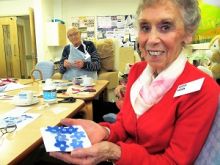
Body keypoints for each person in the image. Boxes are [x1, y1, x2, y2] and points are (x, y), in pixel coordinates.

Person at [50, 0, 220, 164]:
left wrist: (114, 153)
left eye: (166, 27)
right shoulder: (138, 71)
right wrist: (105, 131)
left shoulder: (203, 89)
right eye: (145, 27)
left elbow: (173, 162)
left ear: (188, 33)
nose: (151, 39)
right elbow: (124, 125)